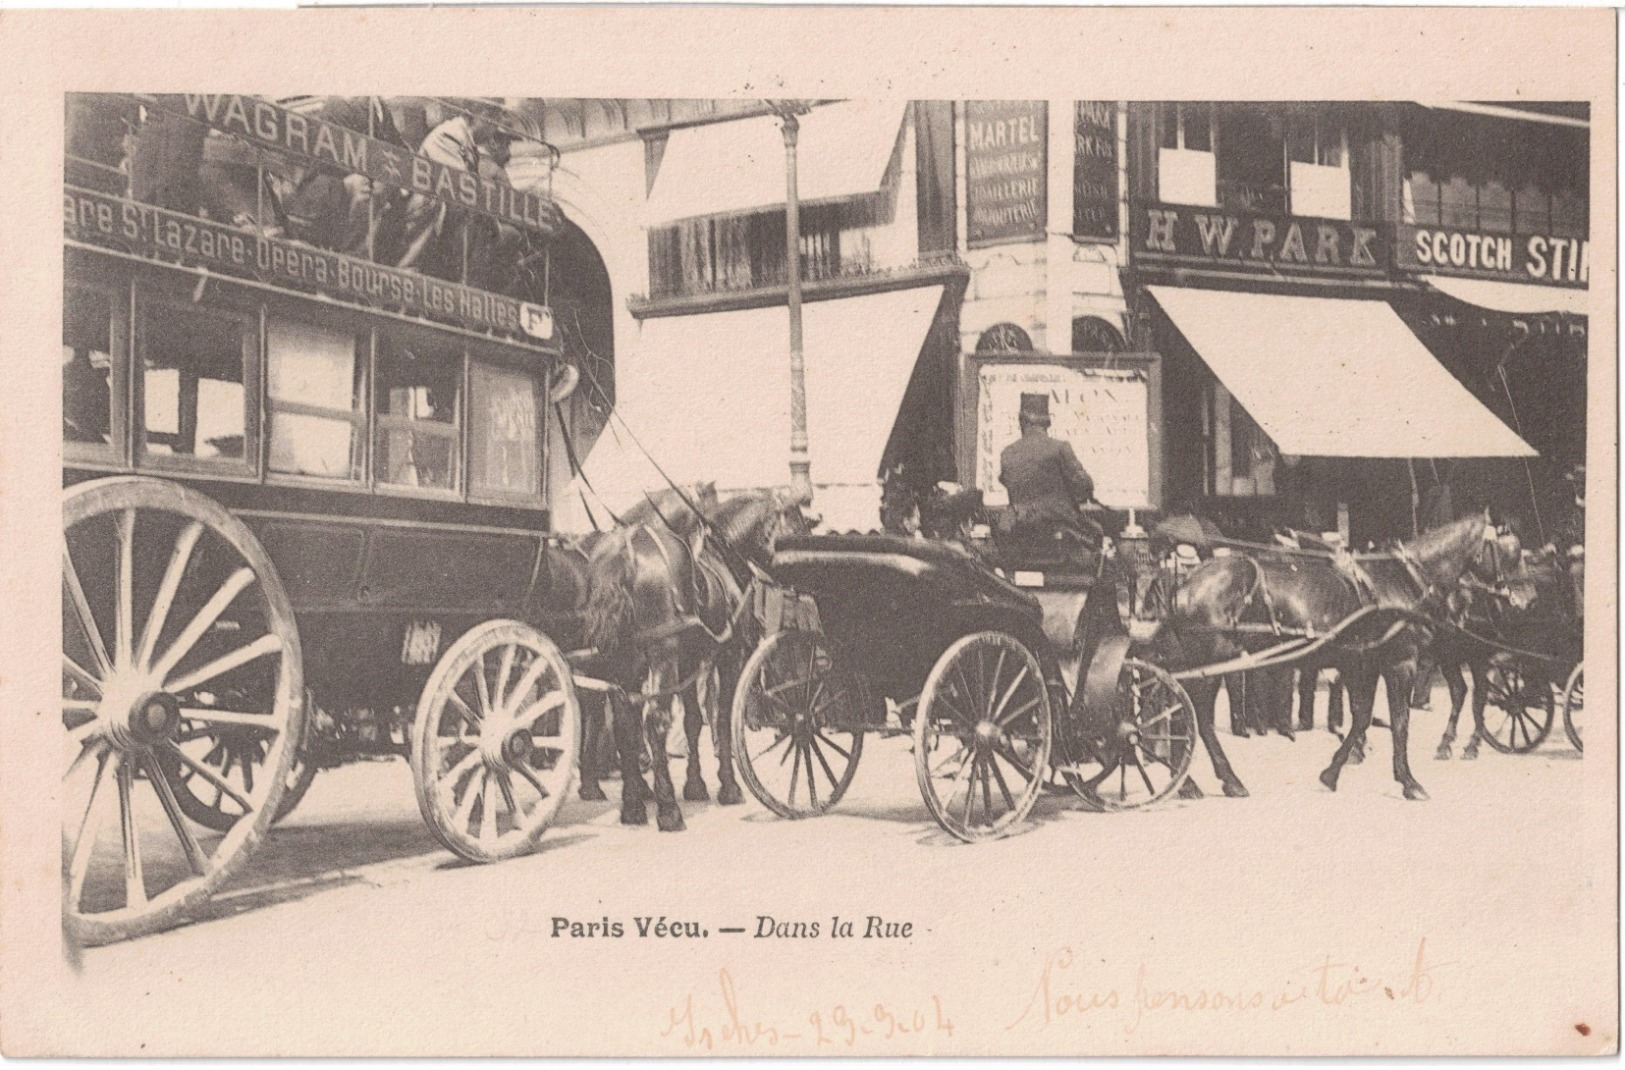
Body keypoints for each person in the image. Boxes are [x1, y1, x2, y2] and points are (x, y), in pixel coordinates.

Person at [998, 393, 1096, 539]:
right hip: (1059, 528)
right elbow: (1084, 486)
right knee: (1097, 534)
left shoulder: (1007, 453)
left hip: (1020, 532)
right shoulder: (1060, 448)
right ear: (1047, 423)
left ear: (1021, 421)